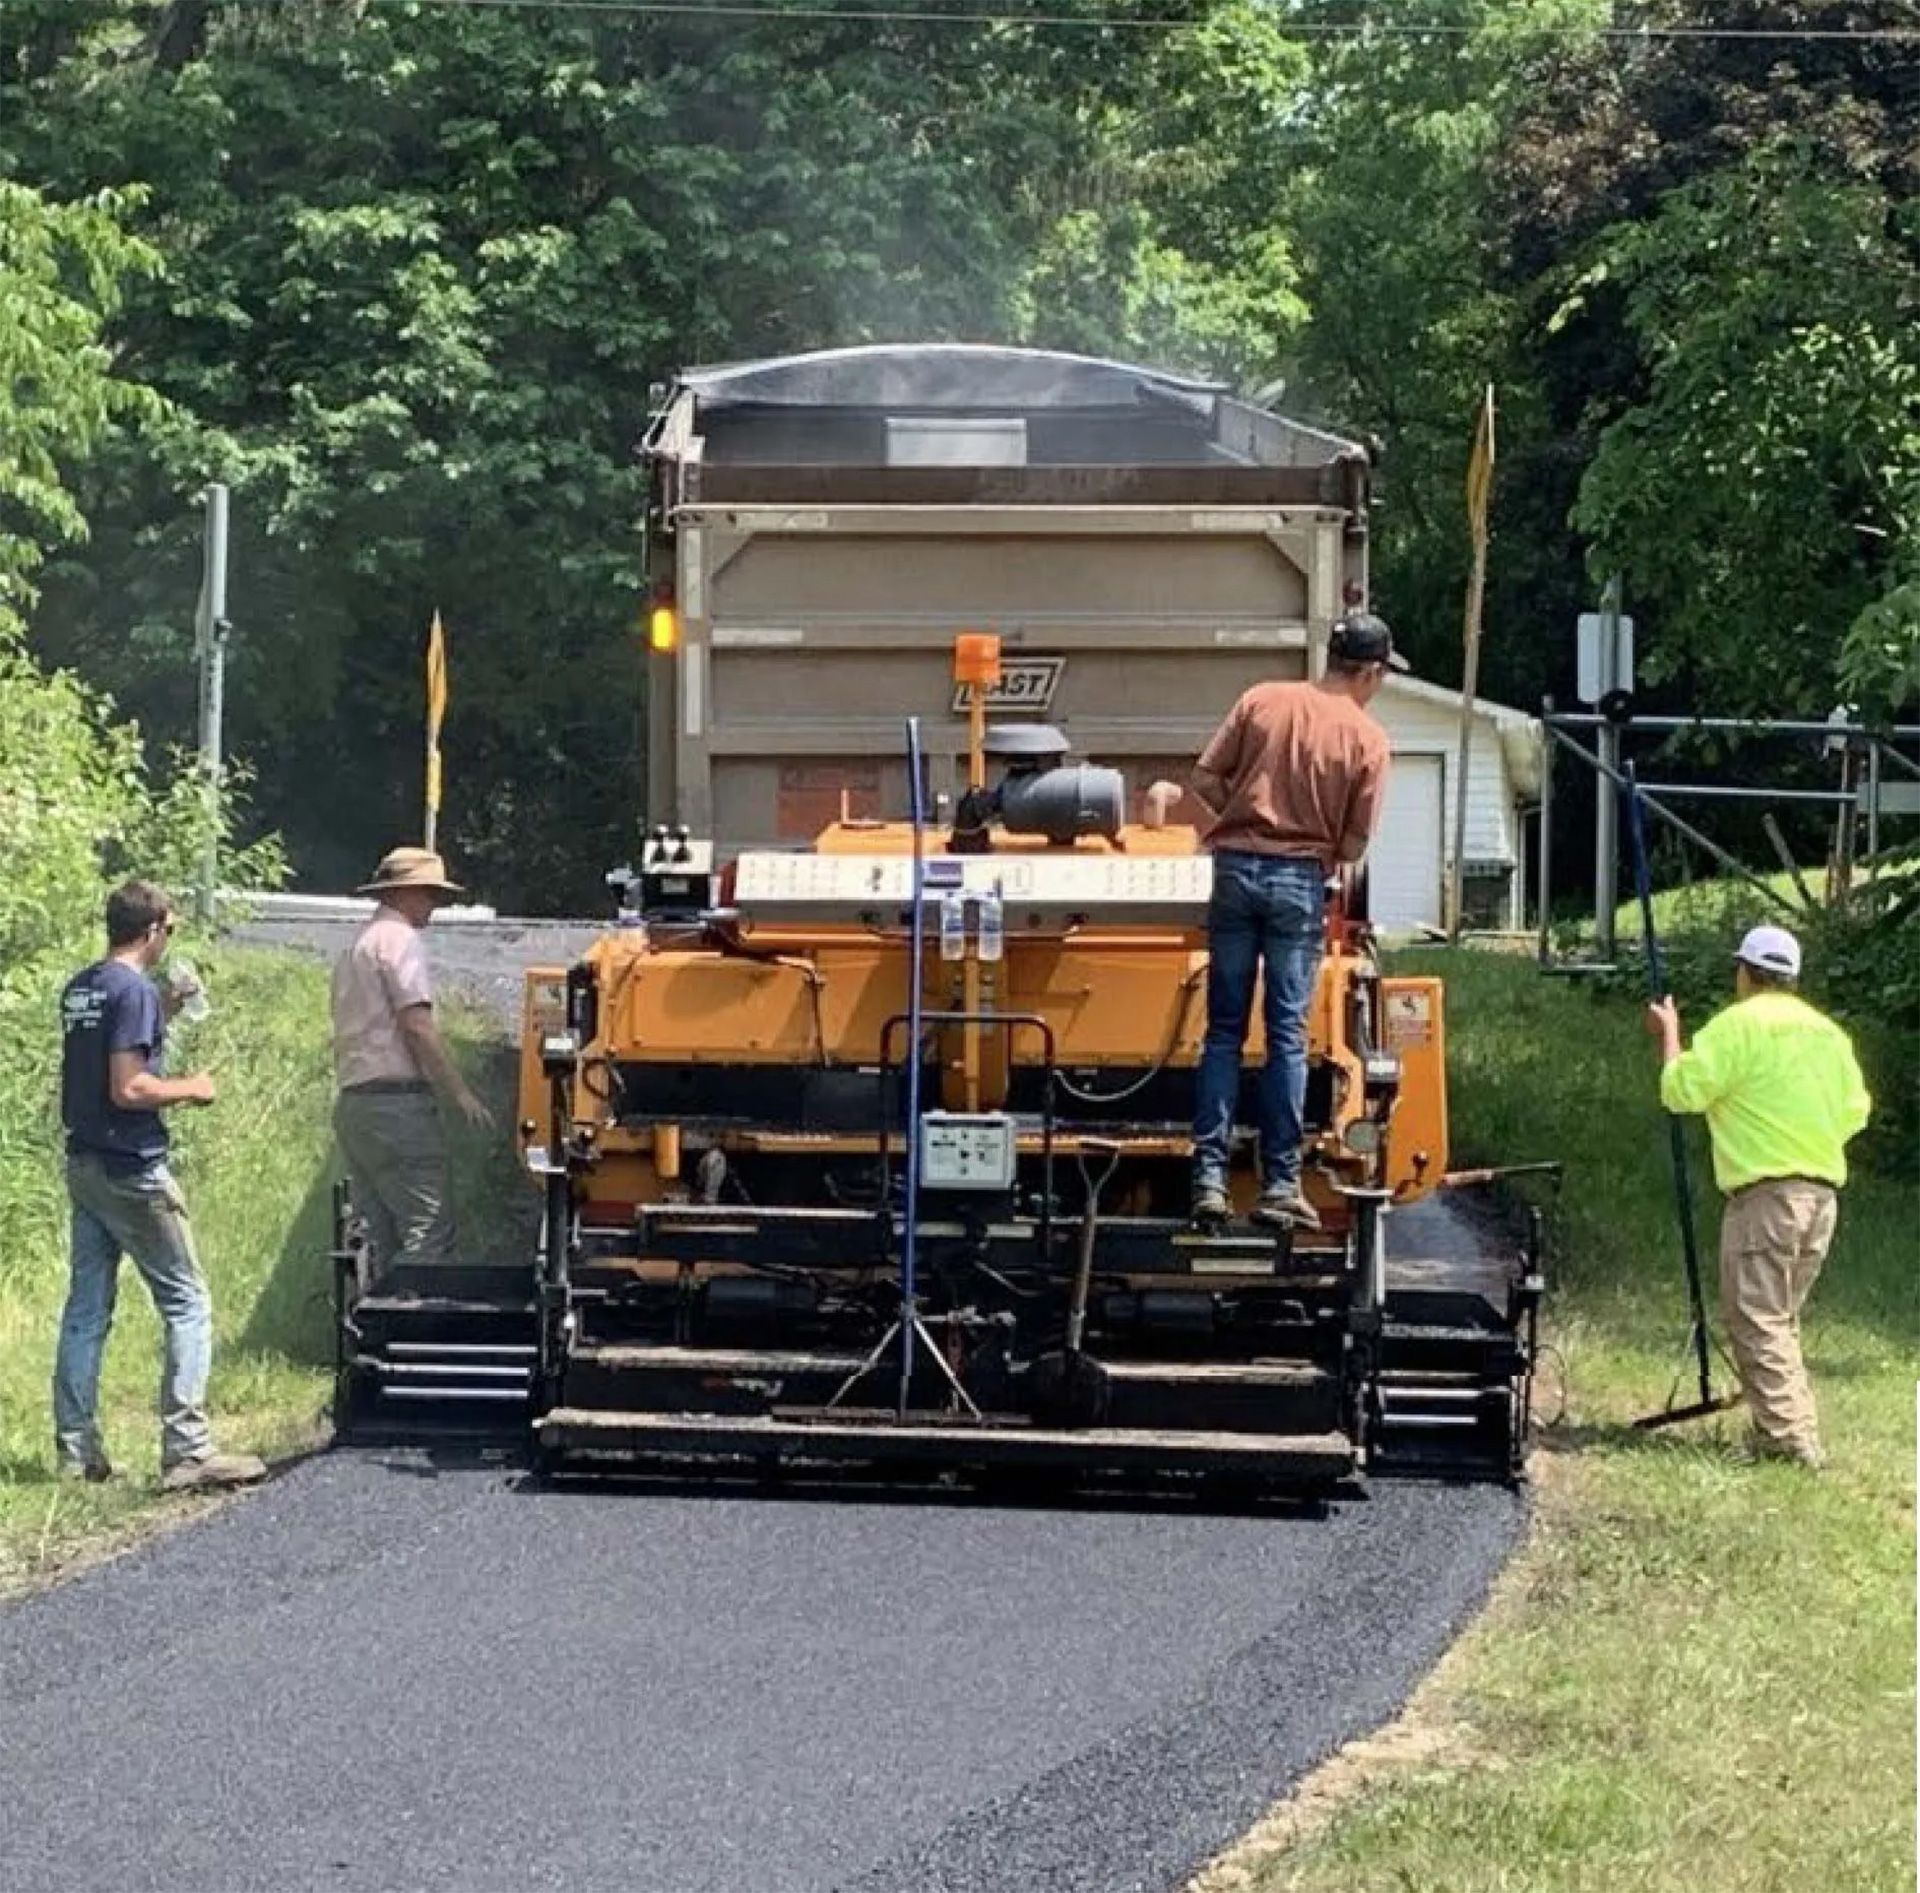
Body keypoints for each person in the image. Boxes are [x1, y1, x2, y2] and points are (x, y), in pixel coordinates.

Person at [1145, 611, 1403, 1229]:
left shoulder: (1262, 699)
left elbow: (1203, 777)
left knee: (1224, 1031)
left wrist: (1236, 814)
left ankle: (1208, 1177)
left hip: (1233, 870)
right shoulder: (1367, 739)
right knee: (1286, 1034)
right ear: (1368, 672)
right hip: (1297, 881)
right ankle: (1280, 1183)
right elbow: (1353, 846)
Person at [53, 881, 267, 1490]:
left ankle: (76, 1451)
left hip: (86, 1163)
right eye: (169, 930)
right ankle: (188, 1451)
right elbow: (129, 1087)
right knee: (187, 1301)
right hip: (132, 1167)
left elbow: (107, 1057)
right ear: (152, 931)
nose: (169, 939)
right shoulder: (133, 990)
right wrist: (193, 1089)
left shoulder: (84, 987)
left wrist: (164, 1011)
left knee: (86, 1309)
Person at [1647, 924, 1871, 1469]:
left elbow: (1682, 1093)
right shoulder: (1828, 1035)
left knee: (1756, 1317)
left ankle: (1788, 1442)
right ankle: (1788, 1425)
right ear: (1792, 978)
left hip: (1766, 1195)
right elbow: (1855, 1110)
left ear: (1745, 973)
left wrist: (1669, 1036)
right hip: (1821, 1196)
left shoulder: (1738, 1027)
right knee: (1778, 1318)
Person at [331, 847, 493, 1288]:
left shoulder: (358, 944)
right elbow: (417, 1025)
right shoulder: (400, 941)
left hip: (355, 1103)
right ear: (407, 892)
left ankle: (370, 1329)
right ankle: (415, 1323)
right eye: (430, 895)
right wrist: (459, 1093)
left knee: (375, 1230)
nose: (434, 906)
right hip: (397, 1103)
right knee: (428, 1226)